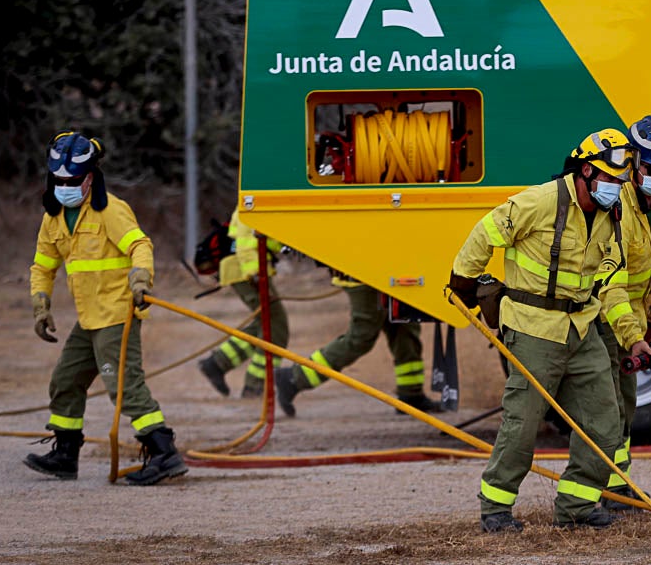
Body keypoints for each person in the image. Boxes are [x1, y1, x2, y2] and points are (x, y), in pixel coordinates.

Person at [448, 128, 651, 533]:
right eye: (609, 180)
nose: (615, 189)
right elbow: (486, 232)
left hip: (582, 325)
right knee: (522, 424)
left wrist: (632, 334)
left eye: (619, 182)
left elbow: (610, 280)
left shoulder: (612, 215)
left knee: (606, 421)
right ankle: (496, 508)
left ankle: (576, 506)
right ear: (586, 173)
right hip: (533, 328)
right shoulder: (541, 201)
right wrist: (463, 282)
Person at [26, 131, 187, 485]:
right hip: (89, 317)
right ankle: (66, 455)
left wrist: (141, 280)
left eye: (71, 180)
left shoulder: (110, 210)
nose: (64, 186)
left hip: (117, 314)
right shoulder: (53, 217)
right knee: (66, 380)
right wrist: (41, 304)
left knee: (124, 387)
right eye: (58, 180)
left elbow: (140, 245)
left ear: (90, 178)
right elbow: (42, 266)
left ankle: (164, 453)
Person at [597, 115, 651, 513]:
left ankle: (619, 484)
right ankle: (599, 489)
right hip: (604, 314)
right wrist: (634, 336)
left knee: (625, 403)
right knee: (606, 403)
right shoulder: (617, 207)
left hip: (632, 312)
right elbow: (610, 285)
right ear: (634, 165)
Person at [273, 272, 441, 416]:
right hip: (364, 275)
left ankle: (411, 394)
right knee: (361, 337)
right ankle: (294, 378)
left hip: (392, 273)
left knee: (404, 329)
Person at [197, 209, 290, 398]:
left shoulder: (260, 203)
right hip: (246, 271)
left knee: (263, 324)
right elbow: (245, 244)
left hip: (246, 270)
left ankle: (217, 363)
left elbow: (263, 240)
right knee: (275, 328)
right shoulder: (252, 205)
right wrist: (255, 275)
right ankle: (254, 386)